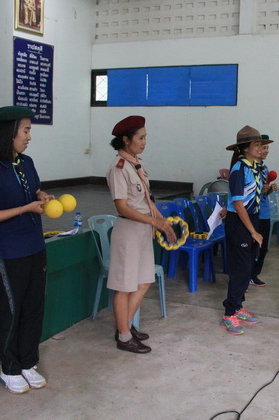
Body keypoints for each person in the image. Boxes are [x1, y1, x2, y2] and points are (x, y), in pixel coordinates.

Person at [0, 105, 53, 394]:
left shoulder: (27, 162)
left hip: (35, 246)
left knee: (34, 308)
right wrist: (25, 208)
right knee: (11, 310)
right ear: (10, 134)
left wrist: (42, 196)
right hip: (10, 252)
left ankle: (28, 362)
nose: (29, 136)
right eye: (26, 130)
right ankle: (9, 368)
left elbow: (33, 190)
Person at [106, 115, 176, 354]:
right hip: (128, 231)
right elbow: (122, 207)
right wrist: (153, 221)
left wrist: (162, 221)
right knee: (124, 286)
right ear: (126, 140)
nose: (144, 142)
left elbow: (147, 199)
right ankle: (124, 336)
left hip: (144, 230)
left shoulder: (136, 165)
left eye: (145, 137)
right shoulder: (119, 168)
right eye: (140, 138)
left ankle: (124, 326)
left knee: (144, 281)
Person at [220, 126, 273, 335]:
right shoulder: (239, 170)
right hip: (239, 223)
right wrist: (252, 231)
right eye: (257, 145)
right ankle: (229, 314)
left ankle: (238, 306)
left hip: (252, 218)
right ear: (246, 148)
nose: (261, 148)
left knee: (248, 266)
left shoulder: (257, 167)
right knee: (240, 270)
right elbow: (238, 204)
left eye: (261, 144)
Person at [250, 136, 278, 288]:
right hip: (255, 214)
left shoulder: (265, 169)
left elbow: (263, 193)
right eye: (263, 147)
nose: (266, 151)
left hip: (265, 213)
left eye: (267, 148)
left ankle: (254, 275)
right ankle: (247, 276)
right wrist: (261, 190)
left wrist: (269, 190)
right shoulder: (250, 168)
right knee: (252, 247)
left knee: (263, 248)